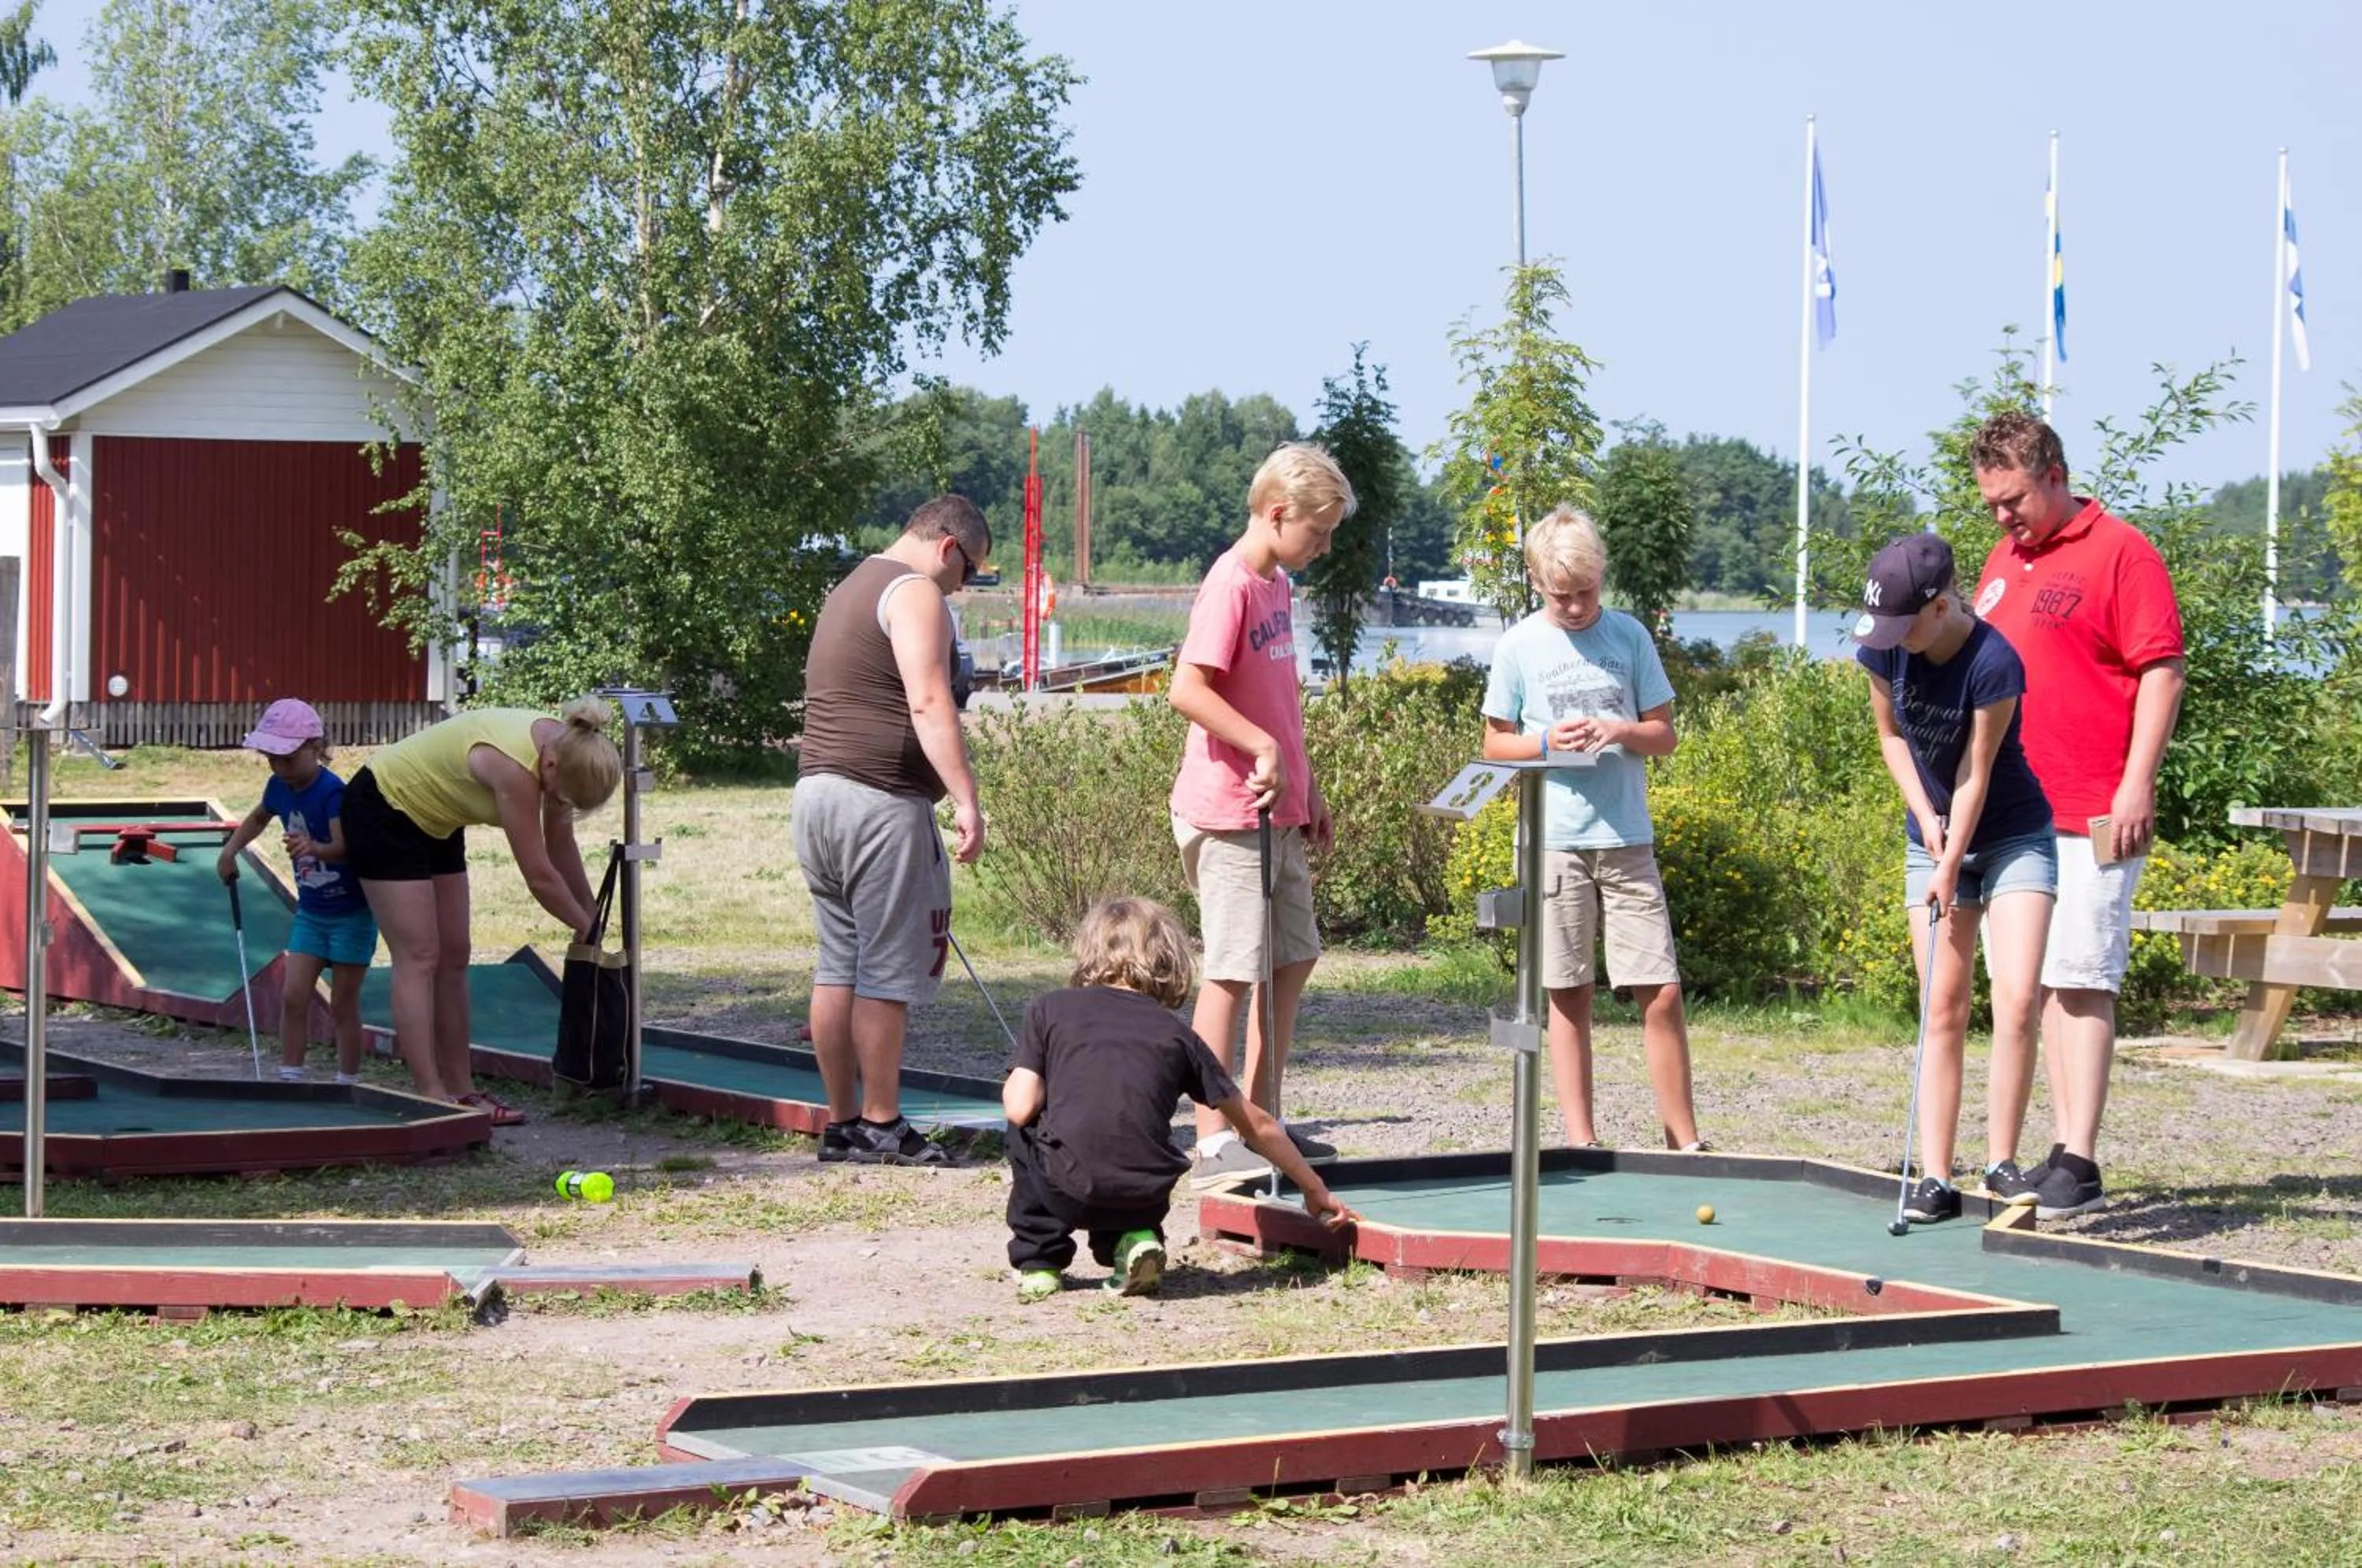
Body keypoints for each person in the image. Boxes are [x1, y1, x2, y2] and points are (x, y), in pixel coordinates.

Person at [1970, 412, 2186, 1220]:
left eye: (2014, 498)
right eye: (1991, 502)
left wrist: (2138, 783)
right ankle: (2053, 1154)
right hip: (2012, 811)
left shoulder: (2122, 553)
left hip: (2092, 802)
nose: (2002, 515)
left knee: (2080, 977)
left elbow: (2161, 672)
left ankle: (2080, 1156)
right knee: (2027, 985)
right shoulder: (2004, 559)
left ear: (2054, 474)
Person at [1480, 505, 1706, 1153]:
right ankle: (1582, 1141)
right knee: (1567, 990)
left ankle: (1683, 1141)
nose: (1577, 607)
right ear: (1536, 582)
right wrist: (1546, 740)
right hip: (1554, 839)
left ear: (1601, 579)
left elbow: (1664, 735)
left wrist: (1622, 730)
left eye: (1586, 593)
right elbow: (1495, 745)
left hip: (1626, 836)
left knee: (1659, 990)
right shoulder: (1519, 644)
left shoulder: (1630, 637)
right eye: (1562, 596)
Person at [1002, 897, 1357, 1300]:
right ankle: (1134, 1237)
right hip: (1143, 1190)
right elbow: (1255, 1124)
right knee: (1131, 1138)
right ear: (1168, 960)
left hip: (1063, 1187)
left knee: (1023, 1132)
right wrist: (1313, 1188)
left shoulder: (1049, 1008)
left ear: (1089, 953)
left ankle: (1040, 1260)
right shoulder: (1178, 1035)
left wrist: (1021, 1071)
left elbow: (1019, 1106)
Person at [1853, 534, 2057, 1223]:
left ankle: (2001, 1164)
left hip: (2012, 834)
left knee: (2018, 996)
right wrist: (1924, 819)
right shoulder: (1885, 647)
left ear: (1941, 607)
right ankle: (1938, 1178)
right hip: (1931, 833)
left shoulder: (1994, 662)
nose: (1893, 638)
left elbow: (1975, 771)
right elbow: (1890, 737)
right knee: (1942, 1003)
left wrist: (1950, 856)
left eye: (1906, 622)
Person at [1169, 442, 1354, 1187]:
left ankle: (1261, 1120)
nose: (1325, 543)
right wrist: (1258, 748)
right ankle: (1216, 1141)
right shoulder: (1232, 584)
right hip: (1228, 810)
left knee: (1295, 954)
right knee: (1233, 972)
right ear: (1277, 514)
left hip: (1276, 812)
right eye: (1318, 529)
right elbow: (1188, 689)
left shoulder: (1277, 584)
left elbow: (1277, 706)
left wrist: (1308, 793)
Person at [795, 494, 990, 1166]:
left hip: (815, 794)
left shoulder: (850, 584)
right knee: (885, 967)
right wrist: (965, 797)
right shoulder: (914, 593)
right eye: (969, 571)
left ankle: (843, 1122)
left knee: (838, 961)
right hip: (878, 802)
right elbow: (929, 699)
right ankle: (882, 1123)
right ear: (947, 546)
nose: (963, 587)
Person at [342, 698, 623, 1122]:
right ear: (549, 767)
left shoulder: (567, 749)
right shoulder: (514, 770)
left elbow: (560, 849)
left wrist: (592, 920)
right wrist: (582, 925)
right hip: (382, 808)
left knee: (455, 954)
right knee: (419, 957)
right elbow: (539, 875)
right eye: (560, 795)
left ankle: (462, 1090)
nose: (557, 801)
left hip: (436, 821)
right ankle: (431, 1096)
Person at [215, 699, 379, 1085]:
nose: (279, 768)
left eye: (287, 758)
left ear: (314, 747)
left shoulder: (332, 792)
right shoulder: (278, 786)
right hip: (312, 913)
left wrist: (314, 849)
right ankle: (291, 1076)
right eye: (272, 759)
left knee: (342, 1004)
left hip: (352, 914)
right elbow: (258, 817)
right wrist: (230, 849)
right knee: (293, 996)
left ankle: (348, 1081)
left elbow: (346, 846)